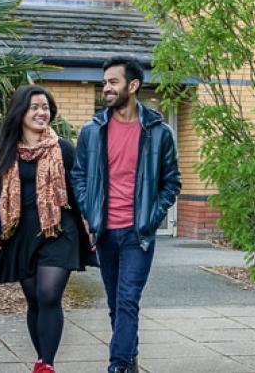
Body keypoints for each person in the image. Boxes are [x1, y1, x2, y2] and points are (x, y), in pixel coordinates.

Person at [71, 58, 181, 373]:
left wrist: (152, 215)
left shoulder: (160, 133)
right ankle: (129, 359)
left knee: (127, 299)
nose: (106, 88)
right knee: (115, 303)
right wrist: (90, 211)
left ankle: (118, 364)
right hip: (105, 230)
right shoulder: (92, 131)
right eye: (104, 81)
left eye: (113, 82)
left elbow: (171, 182)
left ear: (132, 86)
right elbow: (79, 175)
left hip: (138, 233)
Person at [0, 85, 98, 373]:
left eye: (45, 107)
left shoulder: (63, 149)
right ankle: (41, 359)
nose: (41, 112)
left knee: (48, 295)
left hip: (60, 230)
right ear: (20, 112)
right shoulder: (7, 151)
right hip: (20, 233)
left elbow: (79, 190)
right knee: (34, 300)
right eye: (34, 106)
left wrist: (92, 226)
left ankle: (47, 365)